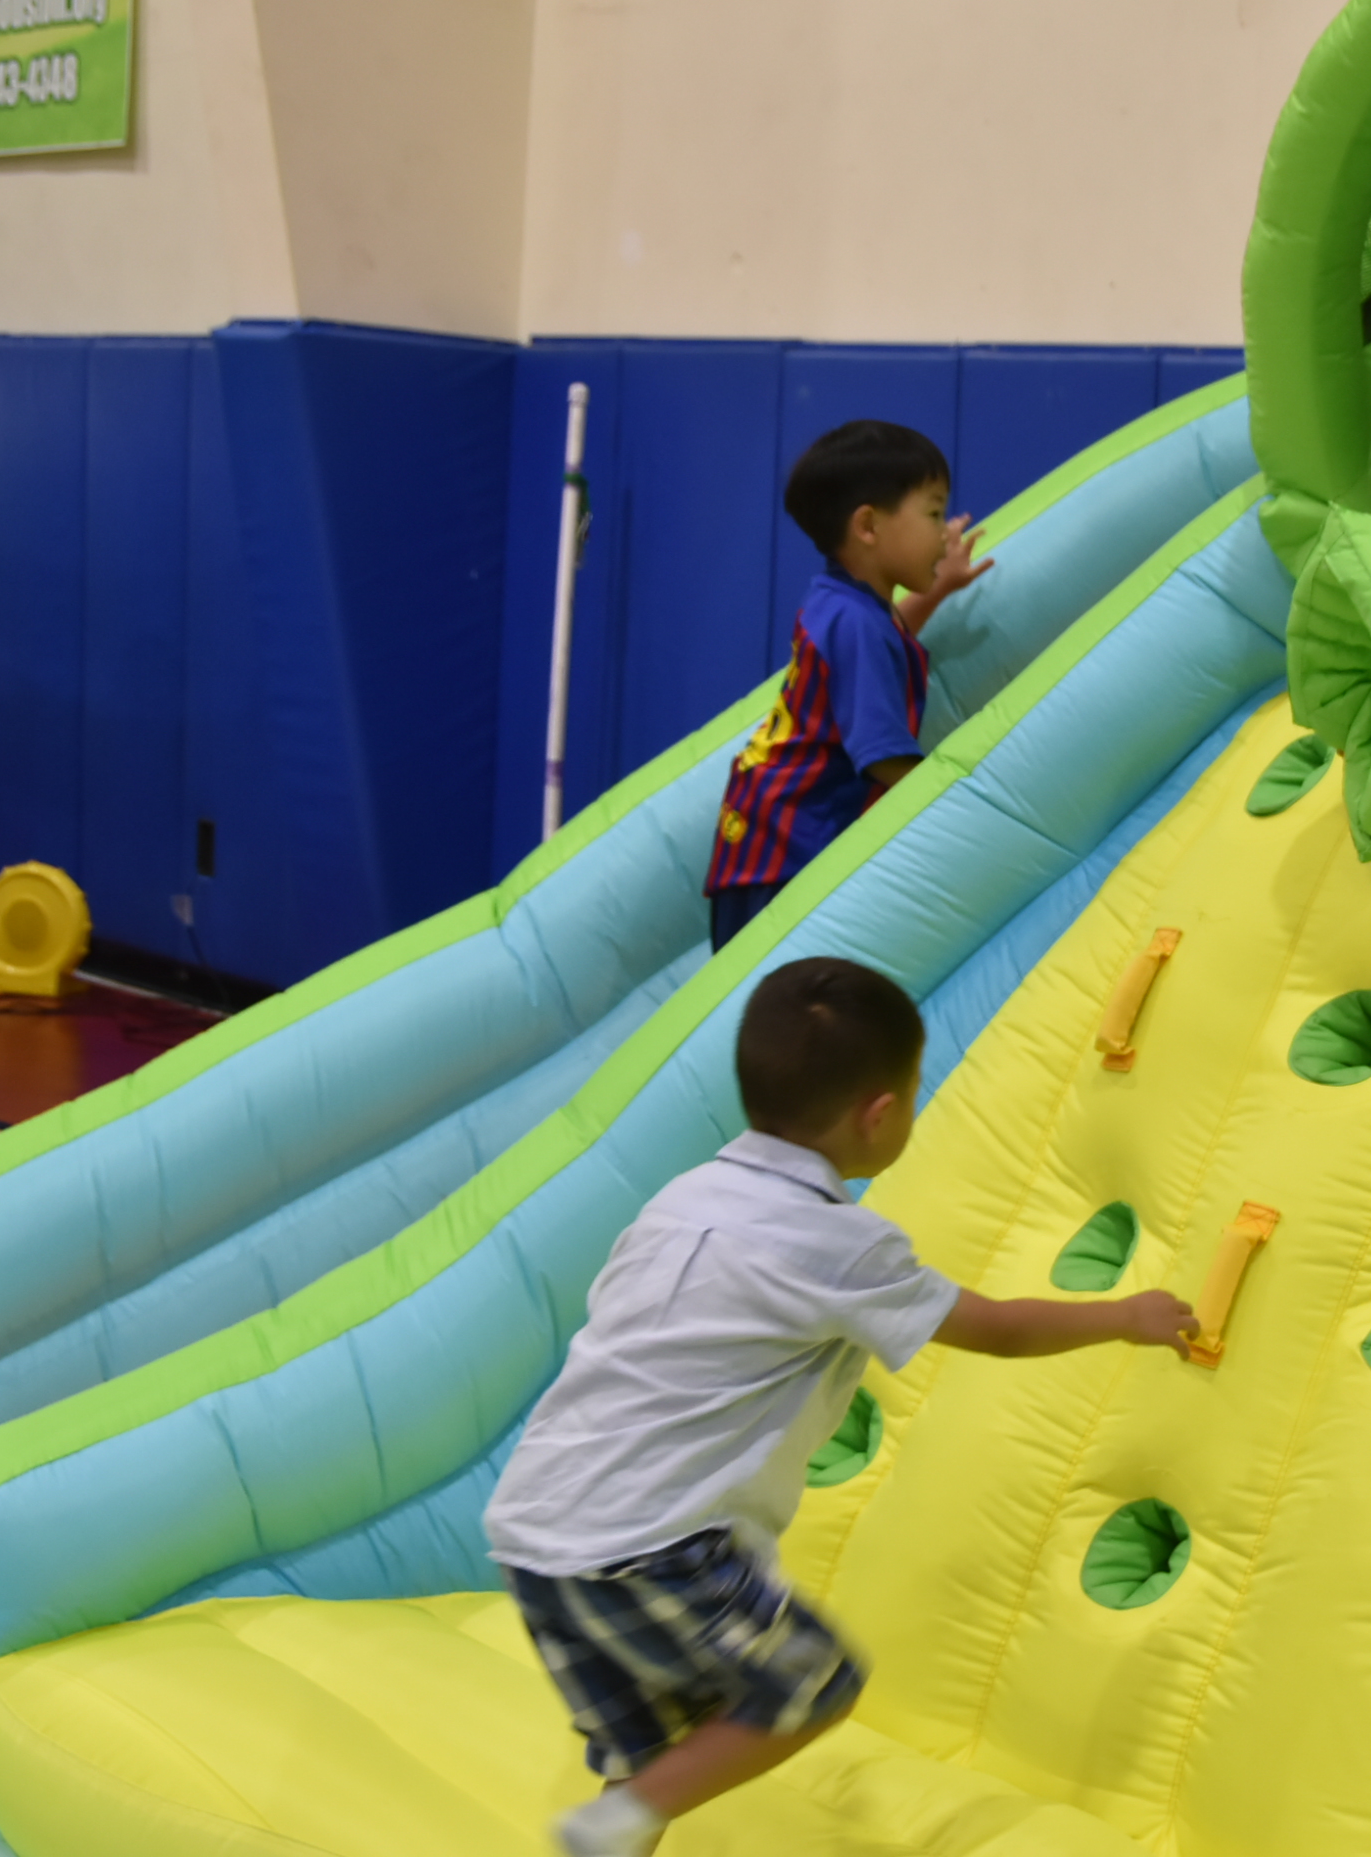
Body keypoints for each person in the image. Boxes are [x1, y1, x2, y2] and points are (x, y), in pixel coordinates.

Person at [483, 956, 1199, 1857]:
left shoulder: (684, 1195)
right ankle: (608, 1827)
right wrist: (1124, 1317)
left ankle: (616, 1828)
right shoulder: (835, 1243)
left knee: (661, 1749)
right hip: (650, 1544)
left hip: (537, 1530)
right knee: (812, 1683)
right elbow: (997, 1328)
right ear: (880, 1114)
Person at [704, 422, 990, 953]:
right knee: (782, 989)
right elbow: (884, 757)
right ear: (868, 526)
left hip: (761, 837)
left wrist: (940, 587)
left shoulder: (842, 602)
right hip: (783, 849)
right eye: (933, 513)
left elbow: (890, 635)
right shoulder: (856, 622)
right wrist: (971, 807)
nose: (944, 531)